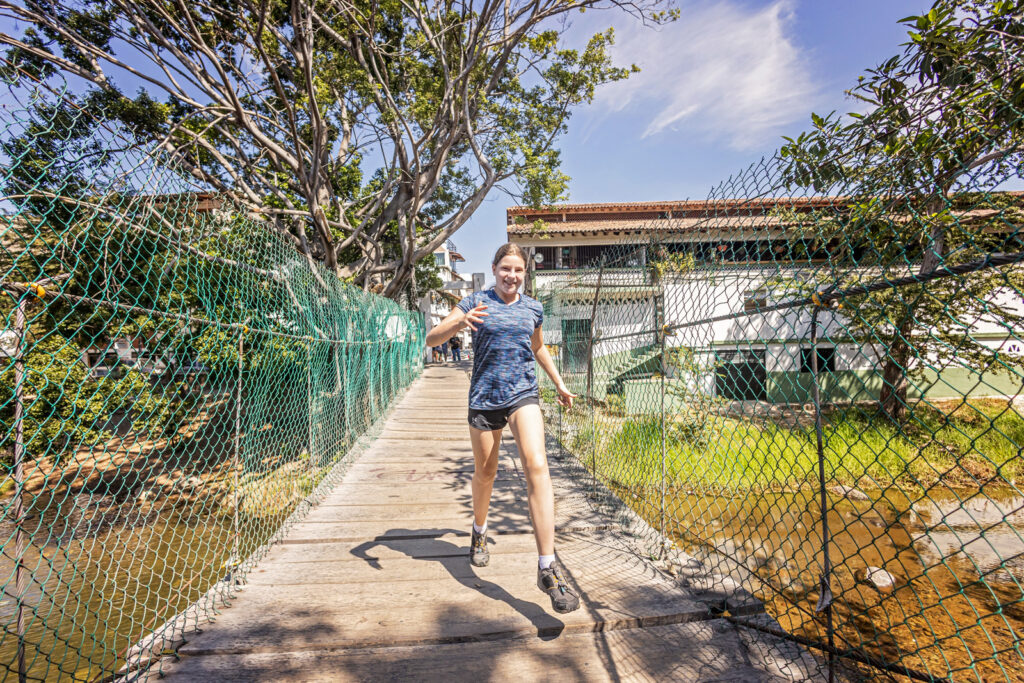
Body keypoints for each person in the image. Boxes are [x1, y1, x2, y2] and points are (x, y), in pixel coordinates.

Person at [424, 243, 580, 614]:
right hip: (484, 396)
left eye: (519, 270)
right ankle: (479, 533)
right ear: (494, 269)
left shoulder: (533, 307)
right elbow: (432, 340)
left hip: (523, 394)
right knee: (486, 472)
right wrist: (460, 322)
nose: (512, 276)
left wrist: (557, 382)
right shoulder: (475, 302)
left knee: (537, 466)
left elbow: (537, 346)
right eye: (506, 268)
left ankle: (547, 568)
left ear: (526, 274)